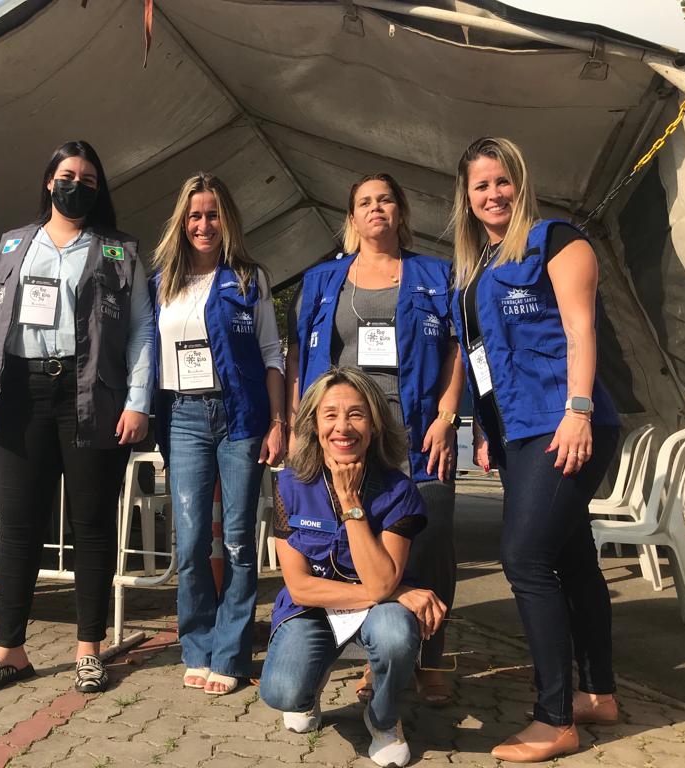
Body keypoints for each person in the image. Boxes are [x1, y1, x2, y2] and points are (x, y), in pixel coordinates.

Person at [0, 140, 154, 696]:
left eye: (89, 180)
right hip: (21, 391)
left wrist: (138, 399)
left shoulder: (119, 250)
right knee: (17, 528)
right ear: (49, 181)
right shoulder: (15, 244)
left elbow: (142, 328)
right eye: (69, 175)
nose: (78, 185)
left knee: (91, 527)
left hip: (91, 394)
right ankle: (9, 651)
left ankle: (88, 650)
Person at [449, 137, 621, 762]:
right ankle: (598, 695)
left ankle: (554, 719)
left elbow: (580, 328)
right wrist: (488, 437)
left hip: (565, 420)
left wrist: (577, 412)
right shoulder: (476, 267)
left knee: (523, 559)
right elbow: (483, 362)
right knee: (571, 558)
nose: (493, 195)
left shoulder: (558, 240)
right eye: (480, 187)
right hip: (518, 430)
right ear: (466, 200)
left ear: (521, 183)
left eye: (502, 181)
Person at [287, 173, 463, 705]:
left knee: (430, 547)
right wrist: (301, 423)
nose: (375, 208)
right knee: (362, 545)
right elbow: (300, 355)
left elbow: (457, 347)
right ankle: (381, 658)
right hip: (348, 437)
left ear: (400, 210)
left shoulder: (435, 273)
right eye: (364, 201)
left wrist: (449, 415)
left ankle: (432, 658)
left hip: (417, 434)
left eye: (386, 198)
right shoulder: (323, 279)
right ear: (352, 216)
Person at [259, 367, 445, 768]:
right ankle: (311, 685)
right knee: (281, 692)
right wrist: (395, 592)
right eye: (330, 415)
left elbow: (379, 582)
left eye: (356, 414)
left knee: (396, 634)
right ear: (313, 423)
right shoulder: (289, 484)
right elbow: (301, 587)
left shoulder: (400, 490)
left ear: (375, 424)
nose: (342, 427)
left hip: (380, 613)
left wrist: (349, 502)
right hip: (315, 608)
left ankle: (383, 718)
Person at [150, 172, 285, 695]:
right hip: (183, 416)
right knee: (188, 543)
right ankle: (197, 645)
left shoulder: (250, 278)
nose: (203, 224)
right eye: (194, 215)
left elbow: (272, 355)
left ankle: (230, 655)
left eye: (212, 214)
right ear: (182, 223)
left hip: (240, 419)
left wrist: (277, 422)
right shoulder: (161, 281)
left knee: (237, 541)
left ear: (226, 218)